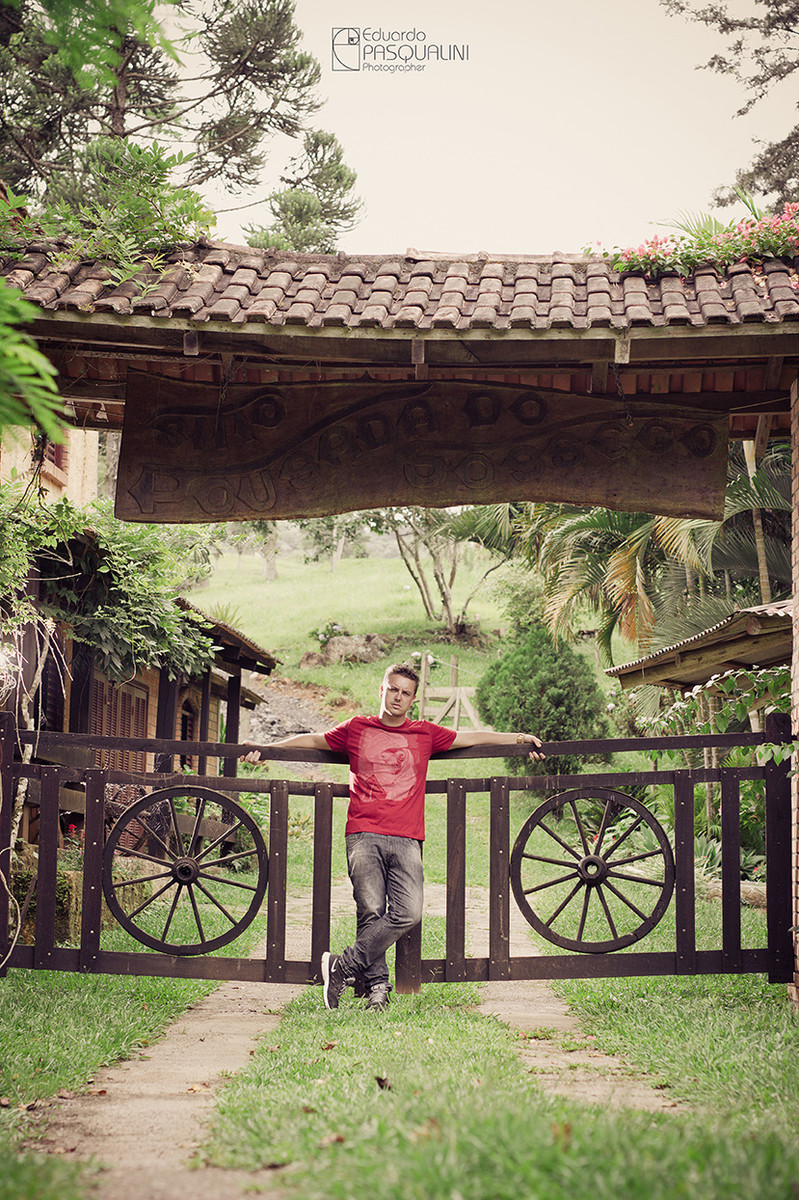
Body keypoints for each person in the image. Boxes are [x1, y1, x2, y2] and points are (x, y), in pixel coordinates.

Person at [244, 662, 544, 1012]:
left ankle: (341, 966)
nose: (398, 697)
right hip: (363, 833)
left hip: (406, 837)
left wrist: (519, 739)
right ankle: (378, 990)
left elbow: (472, 737)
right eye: (393, 689)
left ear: (413, 699)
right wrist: (268, 747)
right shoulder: (357, 728)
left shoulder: (425, 734)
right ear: (382, 690)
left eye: (406, 693)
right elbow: (313, 740)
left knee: (409, 912)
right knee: (370, 910)